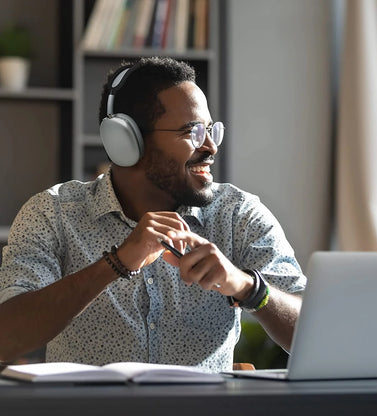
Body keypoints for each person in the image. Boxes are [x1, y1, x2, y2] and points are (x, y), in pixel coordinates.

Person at [0, 57, 306, 372]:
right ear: (126, 141)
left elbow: (317, 329)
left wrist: (246, 287)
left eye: (212, 130)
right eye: (193, 132)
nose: (211, 146)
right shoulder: (54, 213)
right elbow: (6, 339)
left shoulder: (237, 214)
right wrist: (115, 264)